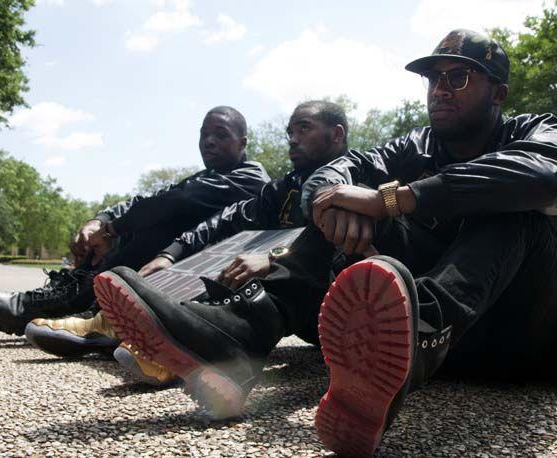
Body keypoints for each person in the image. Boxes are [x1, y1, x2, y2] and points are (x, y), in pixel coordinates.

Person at [93, 29, 557, 457]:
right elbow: (331, 174)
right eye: (433, 78)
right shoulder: (412, 146)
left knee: (510, 205)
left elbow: (547, 174)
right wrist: (332, 205)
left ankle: (419, 331)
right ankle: (237, 339)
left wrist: (393, 200)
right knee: (347, 206)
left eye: (457, 77)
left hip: (528, 346)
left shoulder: (536, 132)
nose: (440, 90)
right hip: (443, 354)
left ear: (498, 93)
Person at [24, 100, 350, 377]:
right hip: (291, 299)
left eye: (303, 129)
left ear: (336, 135)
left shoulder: (350, 177)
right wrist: (170, 254)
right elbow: (228, 218)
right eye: (290, 132)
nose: (293, 139)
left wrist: (275, 256)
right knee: (231, 238)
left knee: (250, 249)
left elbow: (322, 243)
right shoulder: (284, 186)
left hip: (334, 311)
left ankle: (189, 348)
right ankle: (116, 324)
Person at [0, 106, 271, 336]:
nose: (209, 142)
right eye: (204, 135)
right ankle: (77, 294)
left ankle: (79, 299)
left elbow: (178, 200)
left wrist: (113, 228)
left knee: (160, 221)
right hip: (171, 267)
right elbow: (154, 197)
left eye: (221, 135)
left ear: (243, 142)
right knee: (137, 219)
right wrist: (99, 222)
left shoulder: (251, 178)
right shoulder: (206, 175)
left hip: (209, 279)